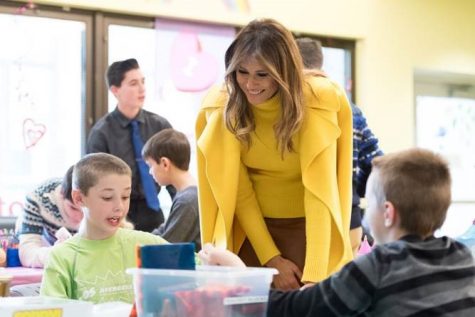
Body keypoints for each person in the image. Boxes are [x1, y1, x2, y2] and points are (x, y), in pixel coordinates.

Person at [200, 148, 475, 316]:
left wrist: (238, 273)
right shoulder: (462, 257)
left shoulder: (380, 265)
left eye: (370, 204)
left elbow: (294, 310)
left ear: (388, 213)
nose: (366, 213)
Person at [195, 18, 354, 290]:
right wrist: (272, 258)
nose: (250, 84)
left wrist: (315, 276)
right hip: (251, 231)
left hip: (310, 230)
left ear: (285, 72)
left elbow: (319, 193)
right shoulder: (222, 106)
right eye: (242, 72)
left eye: (262, 74)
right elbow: (239, 192)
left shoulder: (317, 101)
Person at [40, 153, 170, 304]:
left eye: (125, 196)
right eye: (107, 198)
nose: (119, 207)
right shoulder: (62, 258)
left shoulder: (148, 245)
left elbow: (193, 272)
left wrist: (204, 261)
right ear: (79, 198)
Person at [296, 37, 383, 255]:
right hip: (347, 215)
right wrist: (354, 187)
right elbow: (375, 163)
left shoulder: (289, 105)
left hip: (299, 216)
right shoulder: (348, 107)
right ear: (320, 63)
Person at [86, 58, 175, 232]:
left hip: (153, 211)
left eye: (143, 82)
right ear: (115, 90)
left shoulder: (160, 126)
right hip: (117, 215)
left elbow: (173, 175)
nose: (142, 89)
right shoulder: (101, 133)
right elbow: (94, 184)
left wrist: (184, 207)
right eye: (133, 83)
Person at [142, 128, 201, 251]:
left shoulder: (187, 200)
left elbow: (167, 245)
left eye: (150, 165)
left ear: (164, 163)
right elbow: (163, 231)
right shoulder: (187, 195)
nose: (150, 172)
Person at [17, 166, 83, 268]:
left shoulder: (106, 202)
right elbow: (27, 254)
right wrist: (56, 254)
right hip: (48, 251)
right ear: (61, 194)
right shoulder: (38, 198)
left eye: (87, 211)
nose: (80, 218)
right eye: (73, 208)